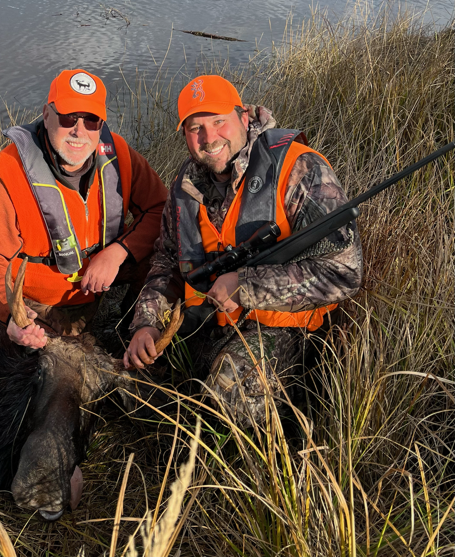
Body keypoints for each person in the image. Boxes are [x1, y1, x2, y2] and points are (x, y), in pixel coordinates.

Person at [123, 75, 363, 425]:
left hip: (280, 329)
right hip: (203, 323)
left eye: (219, 121)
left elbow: (345, 273)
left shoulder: (299, 168)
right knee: (129, 376)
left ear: (244, 116)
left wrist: (246, 286)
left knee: (229, 395)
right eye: (195, 128)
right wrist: (145, 326)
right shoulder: (184, 185)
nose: (209, 138)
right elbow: (166, 262)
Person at [0, 69, 168, 348]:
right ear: (47, 115)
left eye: (91, 120)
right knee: (63, 362)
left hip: (102, 277)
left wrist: (117, 252)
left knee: (165, 253)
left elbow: (160, 208)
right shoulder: (8, 172)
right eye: (68, 117)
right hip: (43, 302)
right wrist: (12, 315)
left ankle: (136, 327)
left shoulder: (118, 155)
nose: (79, 131)